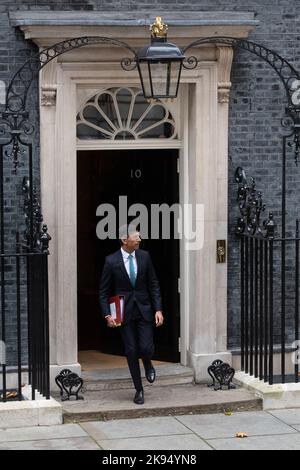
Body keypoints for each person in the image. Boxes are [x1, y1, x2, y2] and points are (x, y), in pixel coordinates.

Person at [99, 226, 164, 405]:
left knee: (145, 348)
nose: (139, 239)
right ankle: (139, 389)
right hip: (124, 312)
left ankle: (148, 362)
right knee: (131, 350)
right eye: (136, 237)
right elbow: (103, 292)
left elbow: (154, 284)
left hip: (144, 309)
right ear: (124, 240)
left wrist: (158, 309)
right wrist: (107, 315)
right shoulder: (111, 261)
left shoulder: (145, 256)